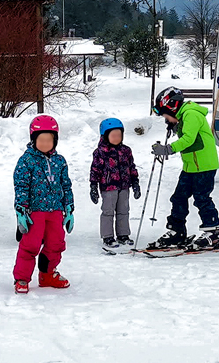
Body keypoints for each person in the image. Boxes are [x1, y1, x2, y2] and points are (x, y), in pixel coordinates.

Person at [150, 87, 219, 250]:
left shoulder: (191, 114)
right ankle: (177, 231)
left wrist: (168, 149)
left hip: (205, 166)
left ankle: (213, 232)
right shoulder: (182, 116)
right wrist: (174, 125)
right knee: (178, 197)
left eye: (165, 114)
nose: (165, 118)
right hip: (191, 166)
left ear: (172, 106)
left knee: (201, 198)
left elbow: (189, 139)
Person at [13, 115, 74, 293]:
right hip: (35, 212)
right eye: (42, 139)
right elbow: (21, 186)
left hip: (55, 211)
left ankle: (47, 274)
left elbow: (66, 185)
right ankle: (22, 278)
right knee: (30, 245)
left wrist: (69, 208)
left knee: (56, 243)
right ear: (34, 139)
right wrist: (21, 211)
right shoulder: (27, 161)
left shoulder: (60, 161)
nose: (46, 143)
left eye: (50, 139)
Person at [89, 117, 140, 248]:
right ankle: (108, 236)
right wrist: (93, 186)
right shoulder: (100, 152)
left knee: (124, 210)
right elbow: (95, 170)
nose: (117, 138)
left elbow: (131, 167)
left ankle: (123, 235)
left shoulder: (126, 151)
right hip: (108, 187)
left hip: (124, 186)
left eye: (119, 135)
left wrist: (135, 183)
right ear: (105, 136)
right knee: (108, 211)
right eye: (113, 135)